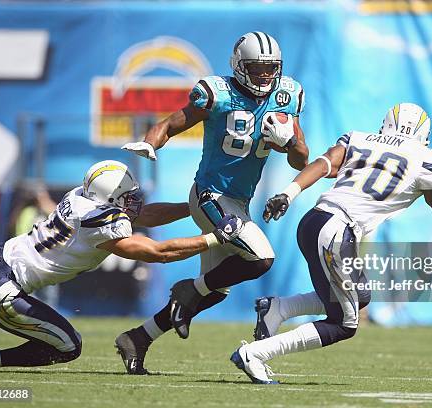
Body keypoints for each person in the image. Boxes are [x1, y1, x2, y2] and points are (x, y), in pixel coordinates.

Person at [118, 31, 308, 374]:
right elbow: (169, 123)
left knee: (215, 289)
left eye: (270, 68)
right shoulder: (217, 93)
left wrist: (290, 140)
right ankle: (187, 290)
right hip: (211, 194)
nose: (265, 75)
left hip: (239, 201)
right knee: (262, 258)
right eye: (256, 67)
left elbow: (301, 159)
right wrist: (150, 143)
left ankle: (138, 338)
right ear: (239, 66)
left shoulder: (287, 95)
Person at [230, 103, 432, 384]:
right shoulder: (427, 158)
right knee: (344, 323)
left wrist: (288, 194)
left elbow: (325, 163)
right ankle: (255, 353)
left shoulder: (359, 139)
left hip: (314, 221)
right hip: (338, 230)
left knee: (360, 296)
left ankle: (278, 309)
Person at [0, 160, 242, 372]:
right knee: (68, 347)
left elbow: (143, 215)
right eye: (127, 196)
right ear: (109, 198)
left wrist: (192, 207)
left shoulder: (81, 197)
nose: (133, 201)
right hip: (3, 286)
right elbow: (158, 252)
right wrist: (215, 237)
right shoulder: (99, 223)